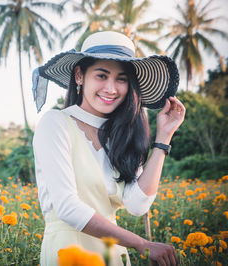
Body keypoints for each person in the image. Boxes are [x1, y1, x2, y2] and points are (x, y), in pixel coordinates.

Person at [31, 31, 185, 266]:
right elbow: (67, 207)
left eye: (121, 79)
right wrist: (142, 244)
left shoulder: (121, 135)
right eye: (101, 75)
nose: (111, 88)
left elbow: (136, 205)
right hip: (68, 253)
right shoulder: (55, 123)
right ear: (80, 75)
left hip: (112, 255)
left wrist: (163, 137)